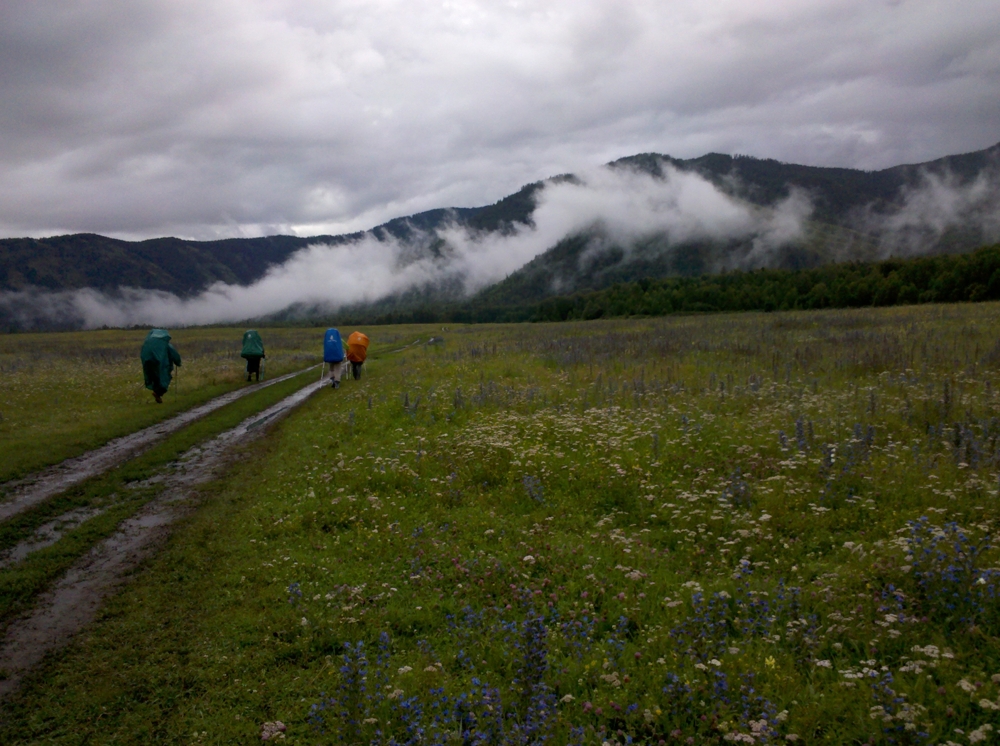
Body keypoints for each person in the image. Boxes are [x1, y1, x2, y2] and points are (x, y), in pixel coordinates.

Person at [140, 328, 181, 404]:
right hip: (162, 365)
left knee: (154, 378)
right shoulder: (166, 345)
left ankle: (157, 393)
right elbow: (175, 355)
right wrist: (178, 363)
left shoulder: (147, 344)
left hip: (148, 362)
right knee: (164, 380)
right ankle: (158, 394)